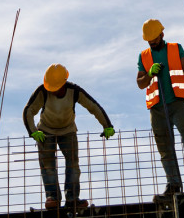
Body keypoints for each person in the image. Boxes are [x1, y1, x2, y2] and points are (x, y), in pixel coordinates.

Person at [23, 63, 115, 210]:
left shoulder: (74, 91)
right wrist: (33, 131)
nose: (53, 90)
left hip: (68, 130)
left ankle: (72, 199)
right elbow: (29, 110)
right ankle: (52, 198)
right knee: (48, 166)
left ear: (64, 82)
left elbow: (93, 106)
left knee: (73, 164)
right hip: (46, 130)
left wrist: (107, 125)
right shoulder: (43, 91)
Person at [136, 19, 184, 202]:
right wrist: (149, 73)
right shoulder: (143, 56)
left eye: (154, 38)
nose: (151, 42)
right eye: (149, 40)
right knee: (165, 147)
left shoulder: (175, 48)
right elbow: (140, 83)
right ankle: (173, 184)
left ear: (162, 34)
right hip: (157, 108)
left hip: (177, 103)